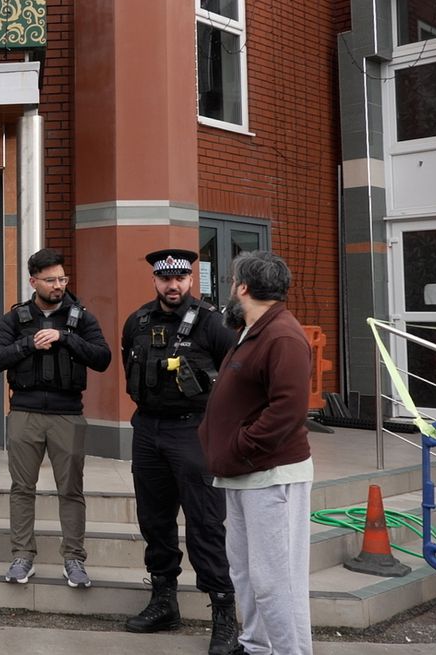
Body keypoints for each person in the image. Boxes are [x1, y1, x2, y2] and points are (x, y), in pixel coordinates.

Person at [121, 248, 239, 655]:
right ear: (155, 280)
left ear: (192, 280)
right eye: (165, 279)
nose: (173, 286)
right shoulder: (137, 321)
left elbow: (238, 376)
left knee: (206, 524)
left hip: (194, 432)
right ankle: (163, 601)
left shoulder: (213, 323)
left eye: (181, 279)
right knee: (154, 520)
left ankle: (224, 616)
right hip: (148, 431)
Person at [199, 251, 313, 655]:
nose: (231, 288)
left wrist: (238, 446)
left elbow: (288, 409)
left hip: (269, 476)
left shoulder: (282, 336)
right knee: (247, 574)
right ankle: (256, 645)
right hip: (244, 474)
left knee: (275, 579)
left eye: (233, 281)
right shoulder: (252, 330)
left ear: (242, 287)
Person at [0, 247, 110, 587]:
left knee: (70, 489)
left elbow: (102, 358)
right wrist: (28, 346)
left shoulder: (81, 318)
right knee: (22, 488)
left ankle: (74, 559)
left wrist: (66, 338)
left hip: (67, 414)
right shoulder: (15, 319)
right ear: (33, 281)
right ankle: (22, 556)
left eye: (62, 278)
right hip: (24, 413)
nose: (58, 285)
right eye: (51, 279)